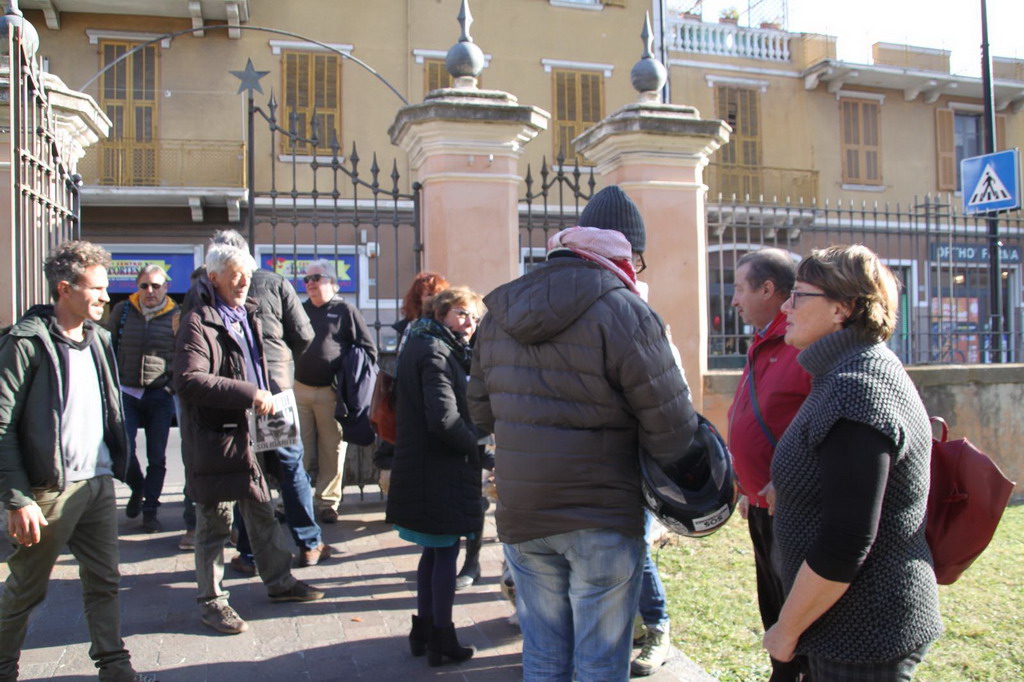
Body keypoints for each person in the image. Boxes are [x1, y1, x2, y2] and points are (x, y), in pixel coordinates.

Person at [469, 185, 698, 681]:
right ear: (626, 254)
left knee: (544, 658)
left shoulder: (500, 310)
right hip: (603, 512)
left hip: (524, 510)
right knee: (599, 662)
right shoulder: (627, 310)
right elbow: (673, 429)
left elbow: (481, 415)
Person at [764, 245, 943, 679]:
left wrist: (786, 629)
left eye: (798, 295)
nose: (785, 306)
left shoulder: (856, 387)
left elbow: (847, 540)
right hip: (841, 627)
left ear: (842, 308)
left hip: (864, 634)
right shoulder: (844, 371)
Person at [0, 241, 155, 681]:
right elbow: (2, 426)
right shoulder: (25, 343)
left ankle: (115, 666)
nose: (106, 296)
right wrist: (17, 499)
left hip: (97, 484)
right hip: (49, 491)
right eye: (97, 288)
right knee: (26, 589)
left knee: (105, 581)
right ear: (65, 289)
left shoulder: (100, 338)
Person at [174, 244, 324, 636]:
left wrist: (267, 394)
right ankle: (212, 602)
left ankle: (280, 581)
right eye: (235, 275)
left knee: (261, 509)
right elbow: (188, 380)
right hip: (218, 436)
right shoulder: (198, 321)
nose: (244, 282)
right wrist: (249, 393)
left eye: (247, 274)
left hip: (255, 426)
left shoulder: (246, 313)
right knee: (215, 521)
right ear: (214, 278)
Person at [204, 231, 330, 572]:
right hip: (272, 389)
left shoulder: (206, 284)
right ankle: (308, 543)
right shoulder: (273, 282)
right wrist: (283, 365)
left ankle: (250, 553)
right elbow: (303, 334)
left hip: (233, 391)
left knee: (249, 469)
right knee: (289, 467)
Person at [385, 286, 485, 668]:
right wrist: (477, 449)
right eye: (461, 313)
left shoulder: (424, 342)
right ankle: (442, 638)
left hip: (427, 464)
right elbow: (444, 419)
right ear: (441, 313)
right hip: (438, 468)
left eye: (474, 317)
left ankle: (424, 630)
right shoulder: (435, 350)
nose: (469, 323)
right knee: (445, 552)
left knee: (434, 551)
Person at [726, 248, 812, 682]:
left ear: (767, 289)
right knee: (774, 605)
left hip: (791, 504)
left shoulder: (800, 345)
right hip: (761, 503)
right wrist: (749, 483)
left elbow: (821, 425)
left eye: (739, 288)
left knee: (797, 614)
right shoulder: (762, 341)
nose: (733, 301)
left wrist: (787, 478)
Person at [295, 259, 377, 524]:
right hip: (299, 390)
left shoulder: (345, 311)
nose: (310, 283)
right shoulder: (298, 310)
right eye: (306, 280)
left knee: (332, 450)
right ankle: (294, 501)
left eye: (315, 278)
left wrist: (349, 378)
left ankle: (327, 503)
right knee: (297, 450)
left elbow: (368, 350)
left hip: (332, 394)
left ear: (332, 282)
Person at [108, 264, 180, 534]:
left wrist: (170, 388)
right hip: (126, 393)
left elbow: (184, 355)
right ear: (137, 287)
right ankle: (138, 487)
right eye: (144, 285)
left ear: (166, 288)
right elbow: (108, 348)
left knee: (157, 457)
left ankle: (151, 510)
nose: (150, 291)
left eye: (156, 286)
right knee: (123, 450)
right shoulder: (122, 311)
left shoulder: (176, 315)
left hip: (159, 395)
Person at [373, 271, 450, 494]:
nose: (432, 299)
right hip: (407, 396)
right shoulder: (409, 326)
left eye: (437, 294)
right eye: (427, 294)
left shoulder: (446, 326)